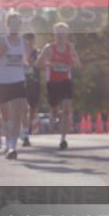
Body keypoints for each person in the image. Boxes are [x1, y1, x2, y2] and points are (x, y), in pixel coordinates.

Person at [0, 12, 29, 159]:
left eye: (18, 23)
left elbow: (26, 62)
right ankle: (8, 142)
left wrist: (29, 66)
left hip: (18, 81)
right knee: (6, 117)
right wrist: (0, 55)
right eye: (13, 23)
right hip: (2, 81)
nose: (16, 26)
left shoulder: (24, 43)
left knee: (18, 113)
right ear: (7, 25)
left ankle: (12, 147)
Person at [36, 22, 81, 150]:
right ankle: (53, 115)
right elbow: (38, 64)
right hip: (52, 82)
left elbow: (78, 64)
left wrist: (71, 62)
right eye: (58, 33)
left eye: (63, 33)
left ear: (66, 34)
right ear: (54, 34)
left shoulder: (70, 47)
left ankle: (63, 139)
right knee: (55, 109)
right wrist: (49, 65)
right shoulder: (49, 48)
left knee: (67, 110)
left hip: (66, 81)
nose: (60, 36)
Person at [21, 33, 41, 147]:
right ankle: (24, 133)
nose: (28, 43)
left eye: (31, 41)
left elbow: (38, 64)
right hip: (22, 81)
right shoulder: (19, 52)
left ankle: (27, 127)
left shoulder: (37, 52)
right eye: (26, 41)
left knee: (32, 108)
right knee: (23, 106)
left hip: (34, 82)